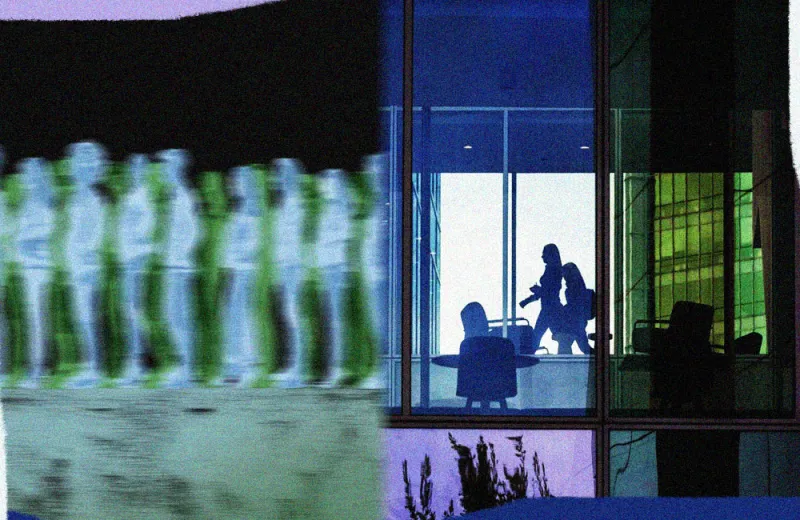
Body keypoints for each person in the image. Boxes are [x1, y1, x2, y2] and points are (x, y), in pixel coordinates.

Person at [520, 243, 567, 353]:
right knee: (559, 336)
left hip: (550, 309)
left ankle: (528, 356)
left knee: (538, 336)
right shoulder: (553, 270)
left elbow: (548, 291)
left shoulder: (553, 270)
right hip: (551, 308)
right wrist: (528, 300)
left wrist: (532, 296)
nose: (542, 256)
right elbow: (547, 291)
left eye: (544, 253)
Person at [562, 262, 593, 355]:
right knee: (581, 346)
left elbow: (574, 305)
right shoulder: (578, 287)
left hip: (575, 321)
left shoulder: (572, 289)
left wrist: (564, 309)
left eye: (565, 273)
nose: (563, 276)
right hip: (577, 321)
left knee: (578, 346)